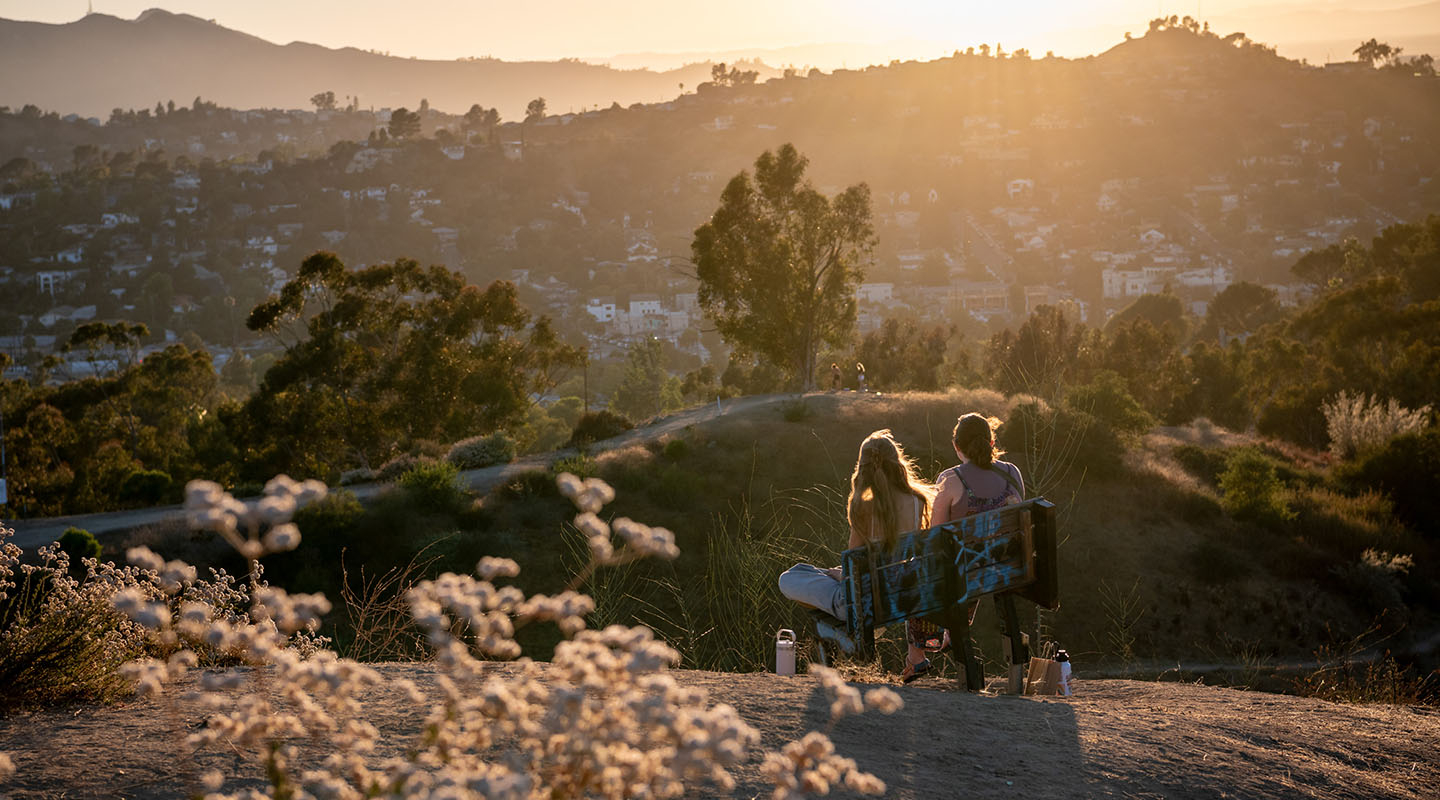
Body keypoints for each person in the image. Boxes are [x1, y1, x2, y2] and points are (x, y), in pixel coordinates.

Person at [779, 430, 933, 669]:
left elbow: (853, 571)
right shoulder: (918, 502)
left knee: (789, 577)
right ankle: (839, 627)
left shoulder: (863, 507)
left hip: (863, 604)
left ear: (862, 468)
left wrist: (840, 575)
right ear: (897, 463)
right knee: (807, 570)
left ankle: (842, 634)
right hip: (896, 598)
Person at [919, 412, 1025, 680]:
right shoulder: (1012, 472)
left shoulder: (950, 479)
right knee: (976, 563)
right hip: (1008, 568)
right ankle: (951, 631)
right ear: (991, 442)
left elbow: (936, 538)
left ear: (957, 447)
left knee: (935, 568)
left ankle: (927, 647)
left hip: (965, 574)